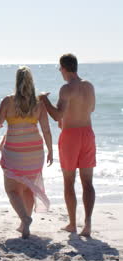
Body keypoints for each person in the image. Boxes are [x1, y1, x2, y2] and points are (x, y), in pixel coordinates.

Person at [39, 54, 96, 237]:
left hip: (71, 137)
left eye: (60, 69)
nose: (60, 72)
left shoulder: (66, 88)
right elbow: (91, 109)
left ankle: (72, 223)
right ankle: (87, 224)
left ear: (64, 68)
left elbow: (56, 115)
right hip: (87, 133)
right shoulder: (89, 86)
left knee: (69, 181)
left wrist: (43, 99)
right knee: (87, 182)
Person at [0, 66, 52, 239]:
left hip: (15, 152)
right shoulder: (39, 103)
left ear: (16, 81)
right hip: (35, 152)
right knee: (28, 189)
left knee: (12, 190)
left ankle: (25, 219)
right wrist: (50, 150)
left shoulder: (7, 101)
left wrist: (6, 121)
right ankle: (24, 224)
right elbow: (47, 130)